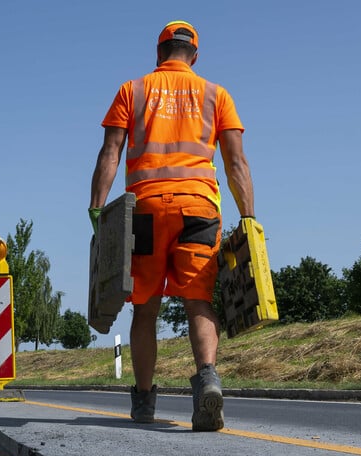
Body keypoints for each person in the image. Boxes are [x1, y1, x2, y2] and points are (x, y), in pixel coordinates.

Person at [90, 20, 255, 432]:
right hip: (198, 207)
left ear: (159, 53)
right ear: (194, 56)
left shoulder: (133, 90)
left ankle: (144, 402)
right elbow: (236, 163)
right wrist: (248, 218)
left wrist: (97, 210)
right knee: (198, 300)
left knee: (145, 308)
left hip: (144, 210)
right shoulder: (218, 95)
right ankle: (207, 380)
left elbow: (110, 151)